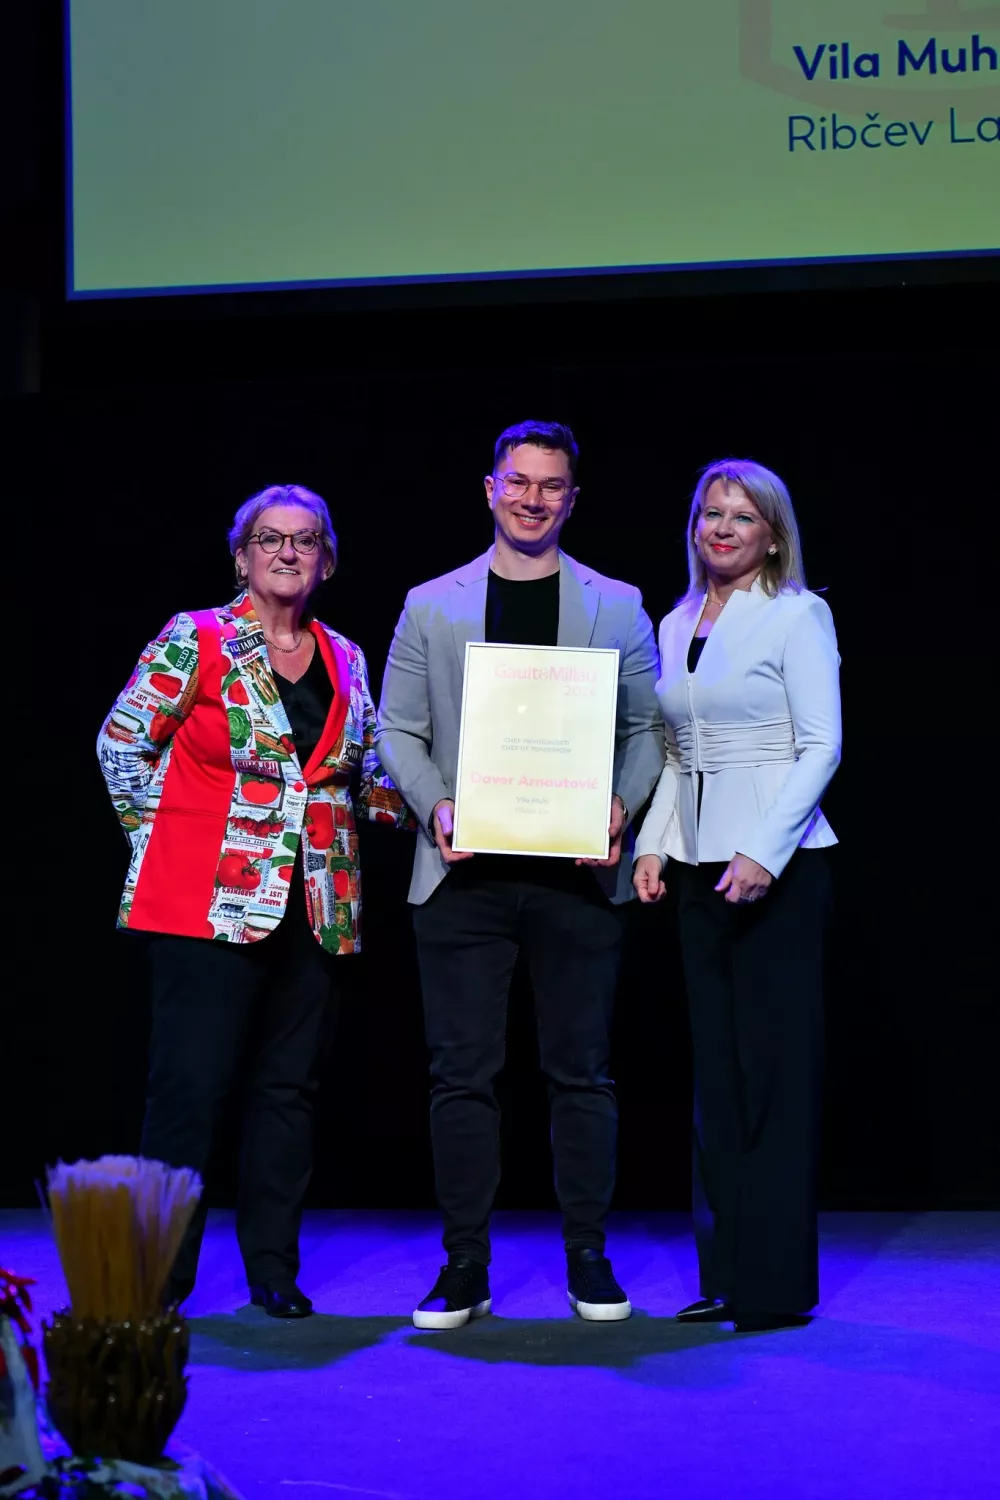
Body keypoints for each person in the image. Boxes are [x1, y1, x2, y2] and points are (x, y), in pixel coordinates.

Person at [97, 484, 412, 1318]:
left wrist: (452, 804)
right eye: (268, 539)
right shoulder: (195, 637)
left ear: (326, 561)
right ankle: (151, 1283)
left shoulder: (346, 655)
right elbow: (122, 742)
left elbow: (371, 779)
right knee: (188, 1095)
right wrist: (161, 841)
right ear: (241, 556)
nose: (286, 552)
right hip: (203, 905)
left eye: (304, 541)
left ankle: (273, 1271)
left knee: (289, 1095)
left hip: (317, 906)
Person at [376, 419, 664, 1329]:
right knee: (462, 1077)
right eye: (519, 482)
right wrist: (438, 807)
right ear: (490, 488)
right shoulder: (432, 603)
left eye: (552, 486)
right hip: (463, 876)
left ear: (572, 499)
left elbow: (647, 731)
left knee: (581, 1073)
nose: (534, 498)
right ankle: (464, 1265)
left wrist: (617, 805)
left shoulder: (616, 603)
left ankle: (588, 1256)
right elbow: (396, 732)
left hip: (578, 878)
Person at [632, 458, 841, 1333]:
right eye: (710, 513)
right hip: (695, 869)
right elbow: (678, 753)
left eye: (741, 516)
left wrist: (765, 850)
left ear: (771, 533)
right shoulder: (675, 620)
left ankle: (775, 1285)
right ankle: (724, 1274)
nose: (722, 527)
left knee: (773, 1077)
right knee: (715, 1079)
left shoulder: (797, 614)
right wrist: (650, 844)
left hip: (779, 872)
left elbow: (822, 744)